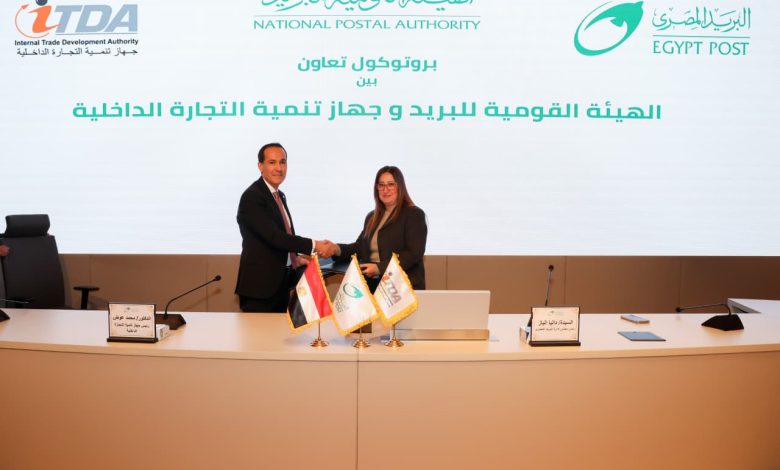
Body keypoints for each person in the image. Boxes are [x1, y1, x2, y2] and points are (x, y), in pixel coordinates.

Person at [235, 143, 336, 312]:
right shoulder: (252, 197)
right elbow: (275, 237)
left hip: (279, 284)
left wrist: (294, 258)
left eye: (282, 162)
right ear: (260, 166)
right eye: (272, 162)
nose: (279, 168)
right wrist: (315, 245)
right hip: (259, 289)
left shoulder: (278, 195)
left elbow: (282, 236)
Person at [333, 166, 427, 291]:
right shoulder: (372, 217)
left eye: (391, 184)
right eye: (381, 185)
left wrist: (379, 268)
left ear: (400, 187)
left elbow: (413, 253)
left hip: (402, 290)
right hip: (374, 288)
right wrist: (336, 249)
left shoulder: (414, 214)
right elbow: (360, 248)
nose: (385, 190)